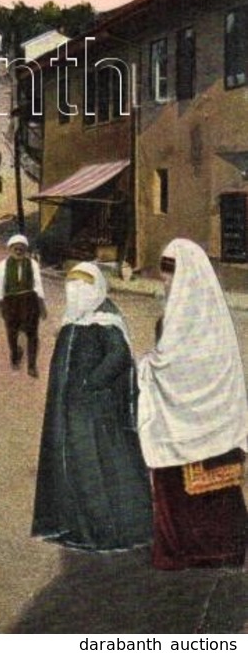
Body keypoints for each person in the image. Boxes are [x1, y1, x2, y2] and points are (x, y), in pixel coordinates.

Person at [137, 238, 248, 570]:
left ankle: (219, 551)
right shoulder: (170, 318)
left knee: (213, 500)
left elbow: (199, 367)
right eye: (165, 274)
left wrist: (150, 368)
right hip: (179, 423)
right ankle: (183, 550)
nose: (166, 282)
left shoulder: (208, 319)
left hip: (207, 424)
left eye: (171, 275)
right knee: (179, 499)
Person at [32, 261, 153, 551]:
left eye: (81, 286)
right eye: (70, 286)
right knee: (70, 465)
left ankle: (104, 530)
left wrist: (91, 383)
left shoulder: (106, 321)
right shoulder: (71, 321)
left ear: (95, 287)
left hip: (95, 411)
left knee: (96, 467)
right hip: (67, 410)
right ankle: (69, 525)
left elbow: (118, 357)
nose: (75, 292)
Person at [0, 233, 47, 378]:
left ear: (25, 249)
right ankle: (15, 355)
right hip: (11, 303)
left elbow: (38, 284)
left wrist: (42, 305)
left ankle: (32, 366)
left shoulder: (32, 264)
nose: (18, 251)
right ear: (10, 249)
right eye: (16, 248)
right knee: (12, 333)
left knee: (32, 334)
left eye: (21, 249)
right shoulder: (3, 265)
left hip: (29, 301)